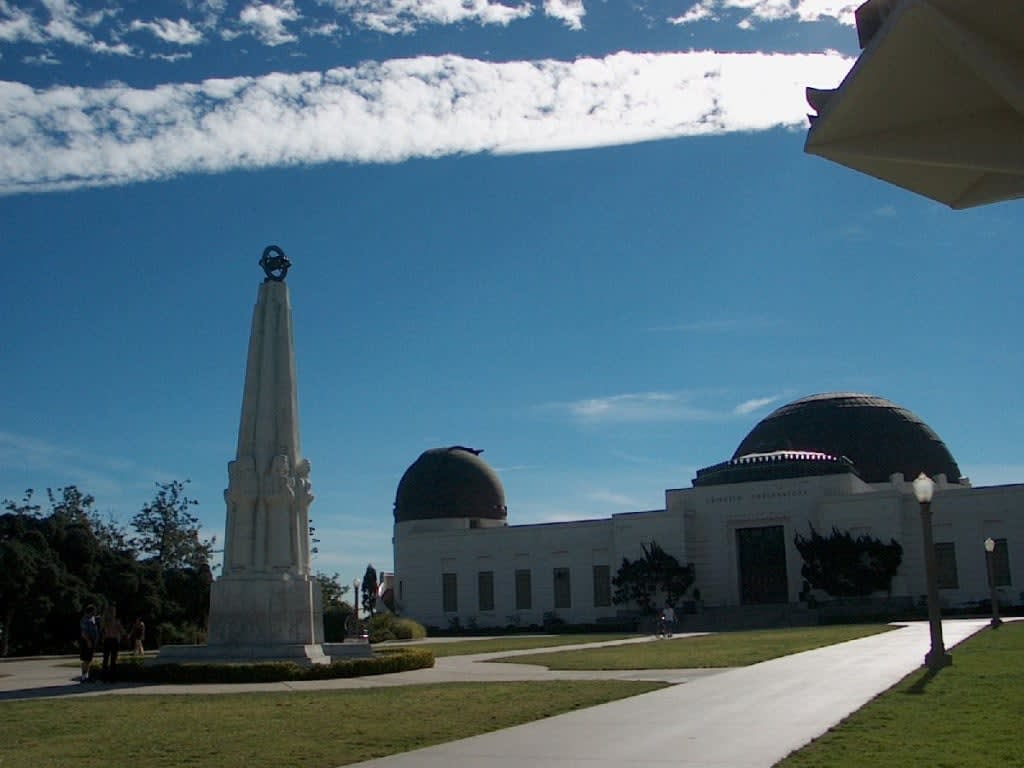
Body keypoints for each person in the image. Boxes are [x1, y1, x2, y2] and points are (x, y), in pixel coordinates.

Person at [100, 605, 125, 682]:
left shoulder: (105, 621)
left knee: (105, 659)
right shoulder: (116, 621)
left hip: (107, 640)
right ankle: (112, 678)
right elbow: (122, 631)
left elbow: (102, 630)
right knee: (113, 660)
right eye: (114, 611)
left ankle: (104, 677)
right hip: (114, 640)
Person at [78, 604, 99, 683]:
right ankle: (83, 677)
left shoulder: (92, 618)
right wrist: (88, 641)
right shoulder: (84, 619)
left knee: (89, 659)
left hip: (92, 641)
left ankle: (87, 676)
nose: (95, 612)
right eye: (94, 611)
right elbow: (84, 633)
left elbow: (98, 618)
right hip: (87, 641)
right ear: (91, 611)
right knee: (85, 660)